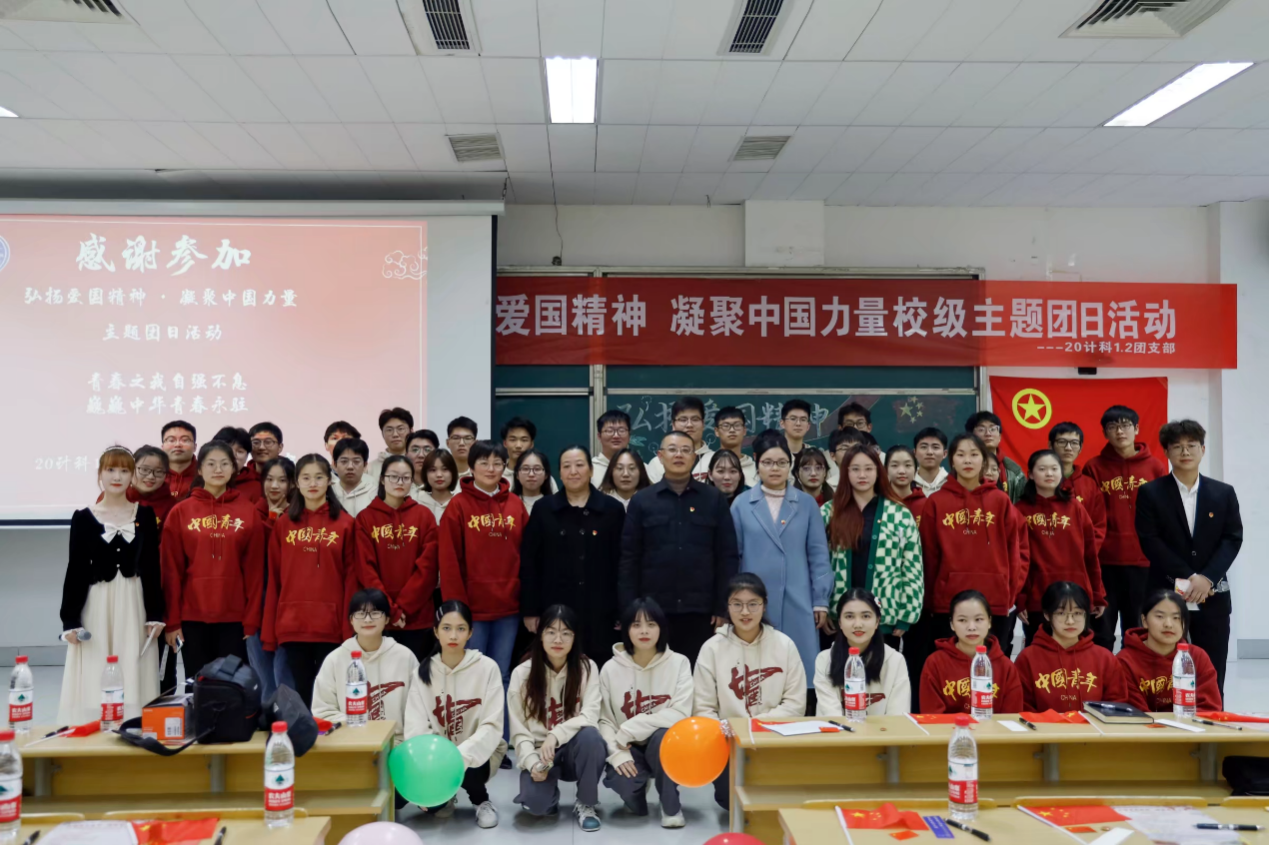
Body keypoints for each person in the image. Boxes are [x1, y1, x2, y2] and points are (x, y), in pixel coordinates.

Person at [1135, 420, 1242, 693]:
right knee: (1161, 668)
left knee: (1213, 669)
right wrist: (1189, 576)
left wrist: (1207, 578)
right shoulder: (1150, 493)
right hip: (1166, 592)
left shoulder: (1223, 493)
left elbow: (1232, 538)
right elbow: (1150, 541)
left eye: (1191, 445)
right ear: (1166, 452)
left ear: (1202, 449)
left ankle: (1212, 715)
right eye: (1177, 447)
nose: (1185, 452)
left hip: (1212, 593)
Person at [58, 446, 164, 724]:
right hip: (98, 601)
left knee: (132, 660)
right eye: (111, 470)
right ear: (100, 474)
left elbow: (151, 567)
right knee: (96, 660)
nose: (117, 477)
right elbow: (76, 570)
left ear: (132, 476)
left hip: (133, 599)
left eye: (124, 470)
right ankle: (94, 723)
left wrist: (155, 614)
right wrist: (70, 619)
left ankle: (132, 722)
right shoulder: (83, 517)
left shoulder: (145, 515)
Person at [619, 430, 740, 666]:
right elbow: (629, 558)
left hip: (702, 611)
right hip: (652, 611)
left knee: (700, 673)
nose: (679, 455)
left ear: (694, 457)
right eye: (672, 450)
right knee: (654, 672)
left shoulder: (713, 499)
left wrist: (723, 607)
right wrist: (629, 609)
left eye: (686, 450)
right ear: (660, 456)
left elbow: (727, 556)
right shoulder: (642, 500)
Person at [694, 573, 806, 810]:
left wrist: (755, 727)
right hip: (729, 742)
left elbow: (795, 704)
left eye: (753, 604)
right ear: (727, 607)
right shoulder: (712, 648)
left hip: (773, 737)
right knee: (729, 801)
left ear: (764, 605)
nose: (745, 612)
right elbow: (703, 707)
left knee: (776, 797)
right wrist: (727, 732)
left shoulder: (784, 645)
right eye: (737, 604)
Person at [824, 444, 925, 700]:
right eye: (855, 469)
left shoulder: (899, 514)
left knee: (881, 686)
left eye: (869, 469)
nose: (862, 475)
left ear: (879, 472)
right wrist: (824, 607)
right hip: (839, 617)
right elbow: (819, 565)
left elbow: (912, 567)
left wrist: (906, 615)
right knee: (840, 684)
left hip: (886, 614)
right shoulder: (828, 512)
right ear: (845, 472)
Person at [732, 434, 831, 689]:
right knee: (758, 675)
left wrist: (820, 600)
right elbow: (735, 556)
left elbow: (819, 554)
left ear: (790, 465)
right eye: (767, 463)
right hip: (753, 602)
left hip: (799, 598)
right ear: (757, 464)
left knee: (799, 673)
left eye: (781, 463)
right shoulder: (742, 504)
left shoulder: (806, 504)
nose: (774, 469)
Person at [161, 441, 265, 682]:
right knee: (198, 686)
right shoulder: (181, 512)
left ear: (233, 469)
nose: (218, 469)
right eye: (211, 464)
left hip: (235, 619)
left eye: (224, 464)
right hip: (191, 618)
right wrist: (172, 622)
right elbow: (171, 570)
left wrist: (251, 620)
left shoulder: (247, 511)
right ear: (199, 469)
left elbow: (255, 571)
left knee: (233, 687)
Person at [263, 453, 358, 708]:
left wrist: (348, 628)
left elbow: (351, 579)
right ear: (297, 482)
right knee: (303, 695)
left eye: (319, 477)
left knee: (331, 698)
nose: (312, 483)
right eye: (306, 478)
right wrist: (271, 630)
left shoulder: (346, 524)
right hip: (294, 625)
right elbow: (275, 579)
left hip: (332, 627)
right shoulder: (284, 524)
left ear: (330, 481)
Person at [919, 434, 1027, 653]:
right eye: (961, 455)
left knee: (991, 664)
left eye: (974, 454)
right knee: (950, 664)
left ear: (984, 460)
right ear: (951, 459)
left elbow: (1013, 552)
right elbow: (928, 556)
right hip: (948, 603)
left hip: (995, 601)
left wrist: (1009, 595)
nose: (967, 460)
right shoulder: (936, 502)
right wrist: (931, 600)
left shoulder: (1000, 500)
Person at [438, 440, 529, 695]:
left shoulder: (515, 504)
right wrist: (456, 608)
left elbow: (527, 555)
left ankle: (501, 723)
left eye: (497, 463)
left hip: (509, 607)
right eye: (484, 463)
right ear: (471, 467)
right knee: (470, 675)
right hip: (472, 610)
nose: (491, 469)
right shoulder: (457, 505)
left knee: (501, 674)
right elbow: (449, 560)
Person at [405, 600, 506, 828]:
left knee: (471, 763)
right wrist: (434, 761)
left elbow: (492, 725)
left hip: (477, 756)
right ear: (436, 631)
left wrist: (457, 757)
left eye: (461, 629)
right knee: (416, 803)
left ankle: (481, 800)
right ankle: (445, 796)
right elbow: (415, 726)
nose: (453, 635)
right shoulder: (422, 672)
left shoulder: (487, 668)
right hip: (436, 759)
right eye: (446, 628)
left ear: (470, 633)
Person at [520, 446, 625, 663]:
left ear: (591, 470)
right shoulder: (543, 509)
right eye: (566, 466)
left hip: (601, 609)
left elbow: (622, 563)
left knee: (600, 667)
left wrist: (622, 610)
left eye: (579, 465)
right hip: (554, 607)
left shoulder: (612, 509)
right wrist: (530, 610)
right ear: (559, 473)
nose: (573, 471)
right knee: (556, 667)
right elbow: (529, 562)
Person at [508, 604, 606, 832]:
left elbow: (591, 715)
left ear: (575, 637)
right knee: (537, 807)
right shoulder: (522, 673)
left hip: (574, 749)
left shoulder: (587, 668)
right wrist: (532, 763)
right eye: (551, 632)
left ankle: (586, 803)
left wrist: (555, 735)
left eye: (566, 633)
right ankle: (548, 796)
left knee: (591, 737)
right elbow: (519, 731)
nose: (558, 639)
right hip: (539, 752)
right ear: (540, 635)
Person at [599, 598, 692, 829]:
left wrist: (631, 728)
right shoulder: (610, 668)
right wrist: (617, 753)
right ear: (626, 629)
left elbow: (681, 713)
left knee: (663, 736)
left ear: (661, 628)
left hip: (663, 744)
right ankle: (637, 795)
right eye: (636, 625)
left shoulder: (679, 663)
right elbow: (604, 720)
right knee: (625, 787)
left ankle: (670, 805)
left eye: (651, 624)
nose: (644, 631)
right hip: (626, 746)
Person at [1084, 405, 1168, 652]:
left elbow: (1163, 515)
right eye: (1112, 427)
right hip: (1104, 562)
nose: (1120, 431)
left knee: (1138, 631)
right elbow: (1089, 515)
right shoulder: (1094, 467)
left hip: (1143, 562)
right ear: (1105, 433)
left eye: (1125, 425)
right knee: (1101, 632)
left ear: (1137, 429)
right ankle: (1102, 675)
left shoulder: (1155, 467)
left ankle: (1133, 675)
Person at [1015, 450, 1105, 647]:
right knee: (1039, 651)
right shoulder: (1020, 510)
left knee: (1077, 652)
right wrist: (1020, 598)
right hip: (1037, 598)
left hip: (1075, 595)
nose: (1049, 473)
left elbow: (1090, 555)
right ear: (1030, 474)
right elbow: (1016, 560)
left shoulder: (1075, 507)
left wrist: (1097, 594)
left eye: (1054, 469)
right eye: (1042, 469)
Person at [355, 455, 440, 662]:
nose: (399, 482)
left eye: (405, 477)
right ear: (382, 479)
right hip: (378, 617)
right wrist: (389, 609)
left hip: (418, 617)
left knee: (417, 676)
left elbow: (428, 568)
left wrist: (402, 608)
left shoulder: (424, 516)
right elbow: (366, 569)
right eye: (393, 476)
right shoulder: (365, 518)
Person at [312, 588, 419, 744]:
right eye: (360, 614)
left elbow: (419, 709)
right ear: (351, 620)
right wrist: (361, 728)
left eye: (375, 613)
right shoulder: (335, 659)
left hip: (397, 743)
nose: (368, 620)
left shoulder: (405, 657)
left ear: (387, 619)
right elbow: (322, 711)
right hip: (350, 743)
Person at [1014, 582, 1126, 711]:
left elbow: (1116, 705)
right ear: (1047, 615)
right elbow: (1022, 706)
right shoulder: (1028, 658)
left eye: (1077, 613)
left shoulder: (1105, 658)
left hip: (1093, 725)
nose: (1070, 621)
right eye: (1061, 613)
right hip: (1043, 724)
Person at [1118, 589, 1222, 712]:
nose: (1168, 624)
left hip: (1189, 724)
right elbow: (1135, 714)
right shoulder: (1125, 661)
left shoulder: (1197, 656)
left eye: (1176, 618)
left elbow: (1210, 707)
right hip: (1146, 724)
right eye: (1160, 616)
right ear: (1144, 621)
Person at [920, 590, 1023, 714]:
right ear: (952, 624)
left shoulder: (1005, 667)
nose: (971, 627)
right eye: (962, 620)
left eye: (978, 619)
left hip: (992, 727)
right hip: (949, 727)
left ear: (989, 622)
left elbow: (1011, 717)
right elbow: (931, 715)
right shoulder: (935, 663)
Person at [814, 589, 911, 717]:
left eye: (866, 616)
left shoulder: (895, 660)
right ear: (840, 623)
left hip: (884, 730)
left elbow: (898, 716)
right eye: (849, 616)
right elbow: (831, 715)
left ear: (877, 621)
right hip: (838, 729)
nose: (858, 624)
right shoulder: (825, 659)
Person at [250, 456, 297, 699]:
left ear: (292, 484)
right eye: (269, 479)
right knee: (261, 670)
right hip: (256, 599)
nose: (275, 486)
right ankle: (266, 714)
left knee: (285, 669)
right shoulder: (250, 513)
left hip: (286, 599)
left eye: (282, 480)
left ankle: (289, 714)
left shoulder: (297, 516)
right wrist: (270, 520)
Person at [1048, 422, 1107, 552]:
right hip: (1045, 557)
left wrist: (1085, 554)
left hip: (1081, 558)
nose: (1068, 448)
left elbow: (1098, 525)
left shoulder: (1090, 485)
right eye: (1062, 442)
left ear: (1080, 448)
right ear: (1050, 445)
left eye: (1074, 443)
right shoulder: (1040, 481)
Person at [645, 397, 710, 483]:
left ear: (703, 424)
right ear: (673, 424)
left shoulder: (715, 460)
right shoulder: (657, 463)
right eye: (683, 420)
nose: (689, 425)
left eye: (695, 419)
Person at [965, 412, 1023, 502]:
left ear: (999, 436)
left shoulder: (1014, 471)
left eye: (993, 429)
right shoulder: (963, 466)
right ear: (970, 436)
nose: (988, 433)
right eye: (981, 429)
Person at [129, 445, 177, 528]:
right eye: (144, 469)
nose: (151, 476)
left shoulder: (172, 506)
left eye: (158, 471)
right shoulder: (114, 498)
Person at [713, 407, 758, 488]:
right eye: (726, 426)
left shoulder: (756, 469)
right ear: (716, 431)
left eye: (737, 425)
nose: (732, 430)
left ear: (744, 430)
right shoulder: (706, 464)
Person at [412, 449, 459, 524]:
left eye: (445, 469)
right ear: (425, 474)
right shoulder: (415, 501)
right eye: (433, 470)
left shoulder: (461, 503)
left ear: (453, 473)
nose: (439, 475)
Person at [368, 407, 414, 484]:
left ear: (411, 431)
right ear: (382, 433)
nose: (395, 434)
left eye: (400, 429)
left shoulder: (418, 463)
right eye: (389, 430)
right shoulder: (370, 468)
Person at [331, 437, 375, 518]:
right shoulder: (328, 493)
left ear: (365, 465)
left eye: (356, 461)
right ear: (335, 465)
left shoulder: (375, 494)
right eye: (344, 461)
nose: (350, 467)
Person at [886, 445, 927, 522]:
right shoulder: (879, 503)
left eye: (908, 465)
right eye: (895, 465)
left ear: (915, 470)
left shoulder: (926, 505)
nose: (902, 471)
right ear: (886, 470)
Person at [592, 410, 632, 487]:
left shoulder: (641, 468)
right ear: (599, 436)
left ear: (629, 436)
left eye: (621, 430)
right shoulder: (590, 469)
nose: (616, 436)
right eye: (609, 431)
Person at [161, 420, 198, 501]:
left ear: (195, 447)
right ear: (162, 447)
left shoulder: (205, 474)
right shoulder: (153, 474)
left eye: (185, 440)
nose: (177, 445)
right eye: (171, 440)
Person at [512, 449, 552, 515]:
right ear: (517, 474)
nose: (531, 474)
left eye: (537, 469)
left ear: (546, 475)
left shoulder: (554, 504)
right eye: (525, 469)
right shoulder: (508, 503)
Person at [913, 427, 949, 497]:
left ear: (944, 454)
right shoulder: (907, 482)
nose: (929, 452)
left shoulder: (952, 483)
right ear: (915, 453)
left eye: (935, 447)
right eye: (924, 447)